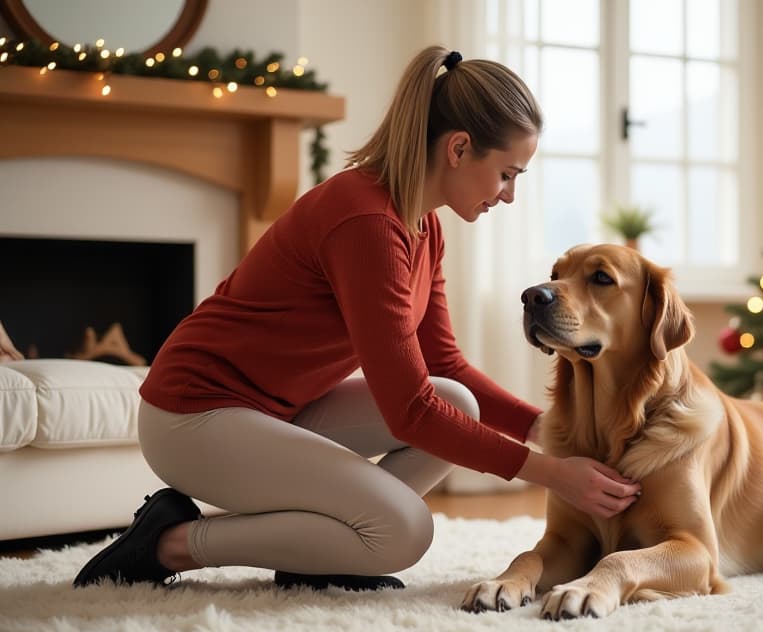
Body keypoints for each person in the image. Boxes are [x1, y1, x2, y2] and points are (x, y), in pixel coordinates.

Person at [74, 46, 641, 591]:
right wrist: (552, 472)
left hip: (275, 410)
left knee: (458, 402)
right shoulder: (367, 222)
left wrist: (549, 434)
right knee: (403, 531)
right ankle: (170, 543)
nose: (509, 195)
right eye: (508, 174)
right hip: (194, 416)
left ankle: (319, 554)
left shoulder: (425, 226)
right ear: (460, 149)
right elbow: (410, 409)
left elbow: (444, 366)